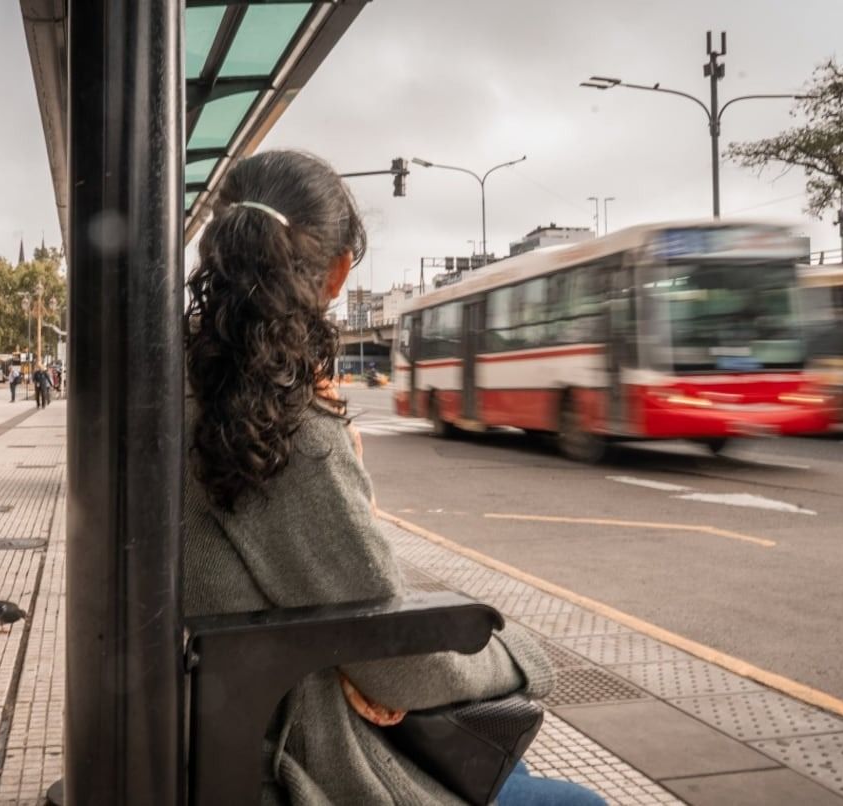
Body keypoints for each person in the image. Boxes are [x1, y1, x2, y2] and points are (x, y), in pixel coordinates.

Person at [182, 150, 603, 806]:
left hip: (209, 724)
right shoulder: (281, 424)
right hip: (289, 761)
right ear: (340, 271)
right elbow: (401, 666)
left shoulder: (177, 386)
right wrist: (522, 653)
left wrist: (366, 659)